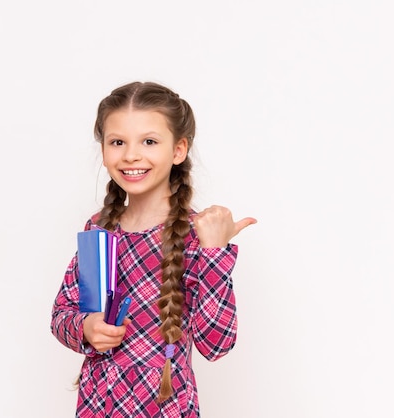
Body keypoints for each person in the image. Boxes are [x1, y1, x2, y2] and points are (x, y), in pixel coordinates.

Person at [51, 81, 256, 417]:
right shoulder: (99, 230)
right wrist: (86, 328)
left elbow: (217, 345)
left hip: (166, 406)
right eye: (118, 142)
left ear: (178, 150)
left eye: (149, 141)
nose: (131, 154)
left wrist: (214, 252)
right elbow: (63, 313)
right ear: (103, 149)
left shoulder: (196, 236)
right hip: (97, 405)